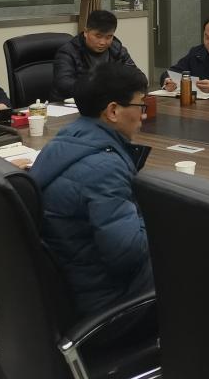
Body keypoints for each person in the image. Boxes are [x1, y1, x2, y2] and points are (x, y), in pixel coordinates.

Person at [29, 64, 153, 319]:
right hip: (106, 302)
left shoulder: (65, 140)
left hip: (67, 287)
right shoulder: (105, 168)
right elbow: (127, 256)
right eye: (141, 106)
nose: (143, 115)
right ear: (113, 111)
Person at [52, 9, 136, 101]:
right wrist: (104, 87)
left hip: (106, 102)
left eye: (109, 37)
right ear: (86, 32)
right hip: (70, 104)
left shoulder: (117, 50)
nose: (103, 42)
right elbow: (64, 85)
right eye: (98, 36)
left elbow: (137, 77)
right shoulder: (68, 52)